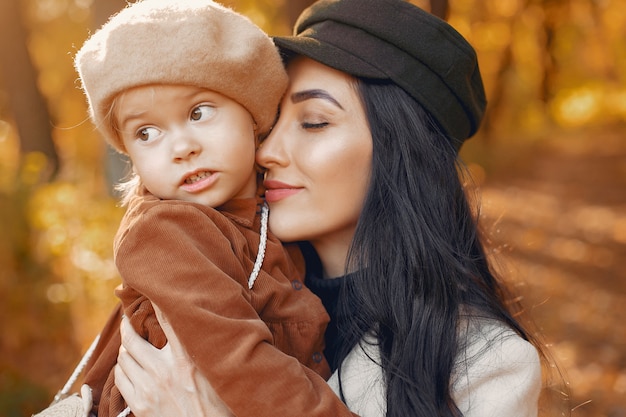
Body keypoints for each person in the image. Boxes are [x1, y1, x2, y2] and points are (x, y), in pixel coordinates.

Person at [114, 0, 549, 416]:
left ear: (400, 152)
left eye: (314, 122)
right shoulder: (212, 267)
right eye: (270, 122)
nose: (267, 151)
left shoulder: (484, 365)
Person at [70, 0, 345, 415]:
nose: (182, 147)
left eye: (198, 112)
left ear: (253, 116)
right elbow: (240, 358)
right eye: (146, 132)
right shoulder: (165, 232)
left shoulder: (270, 214)